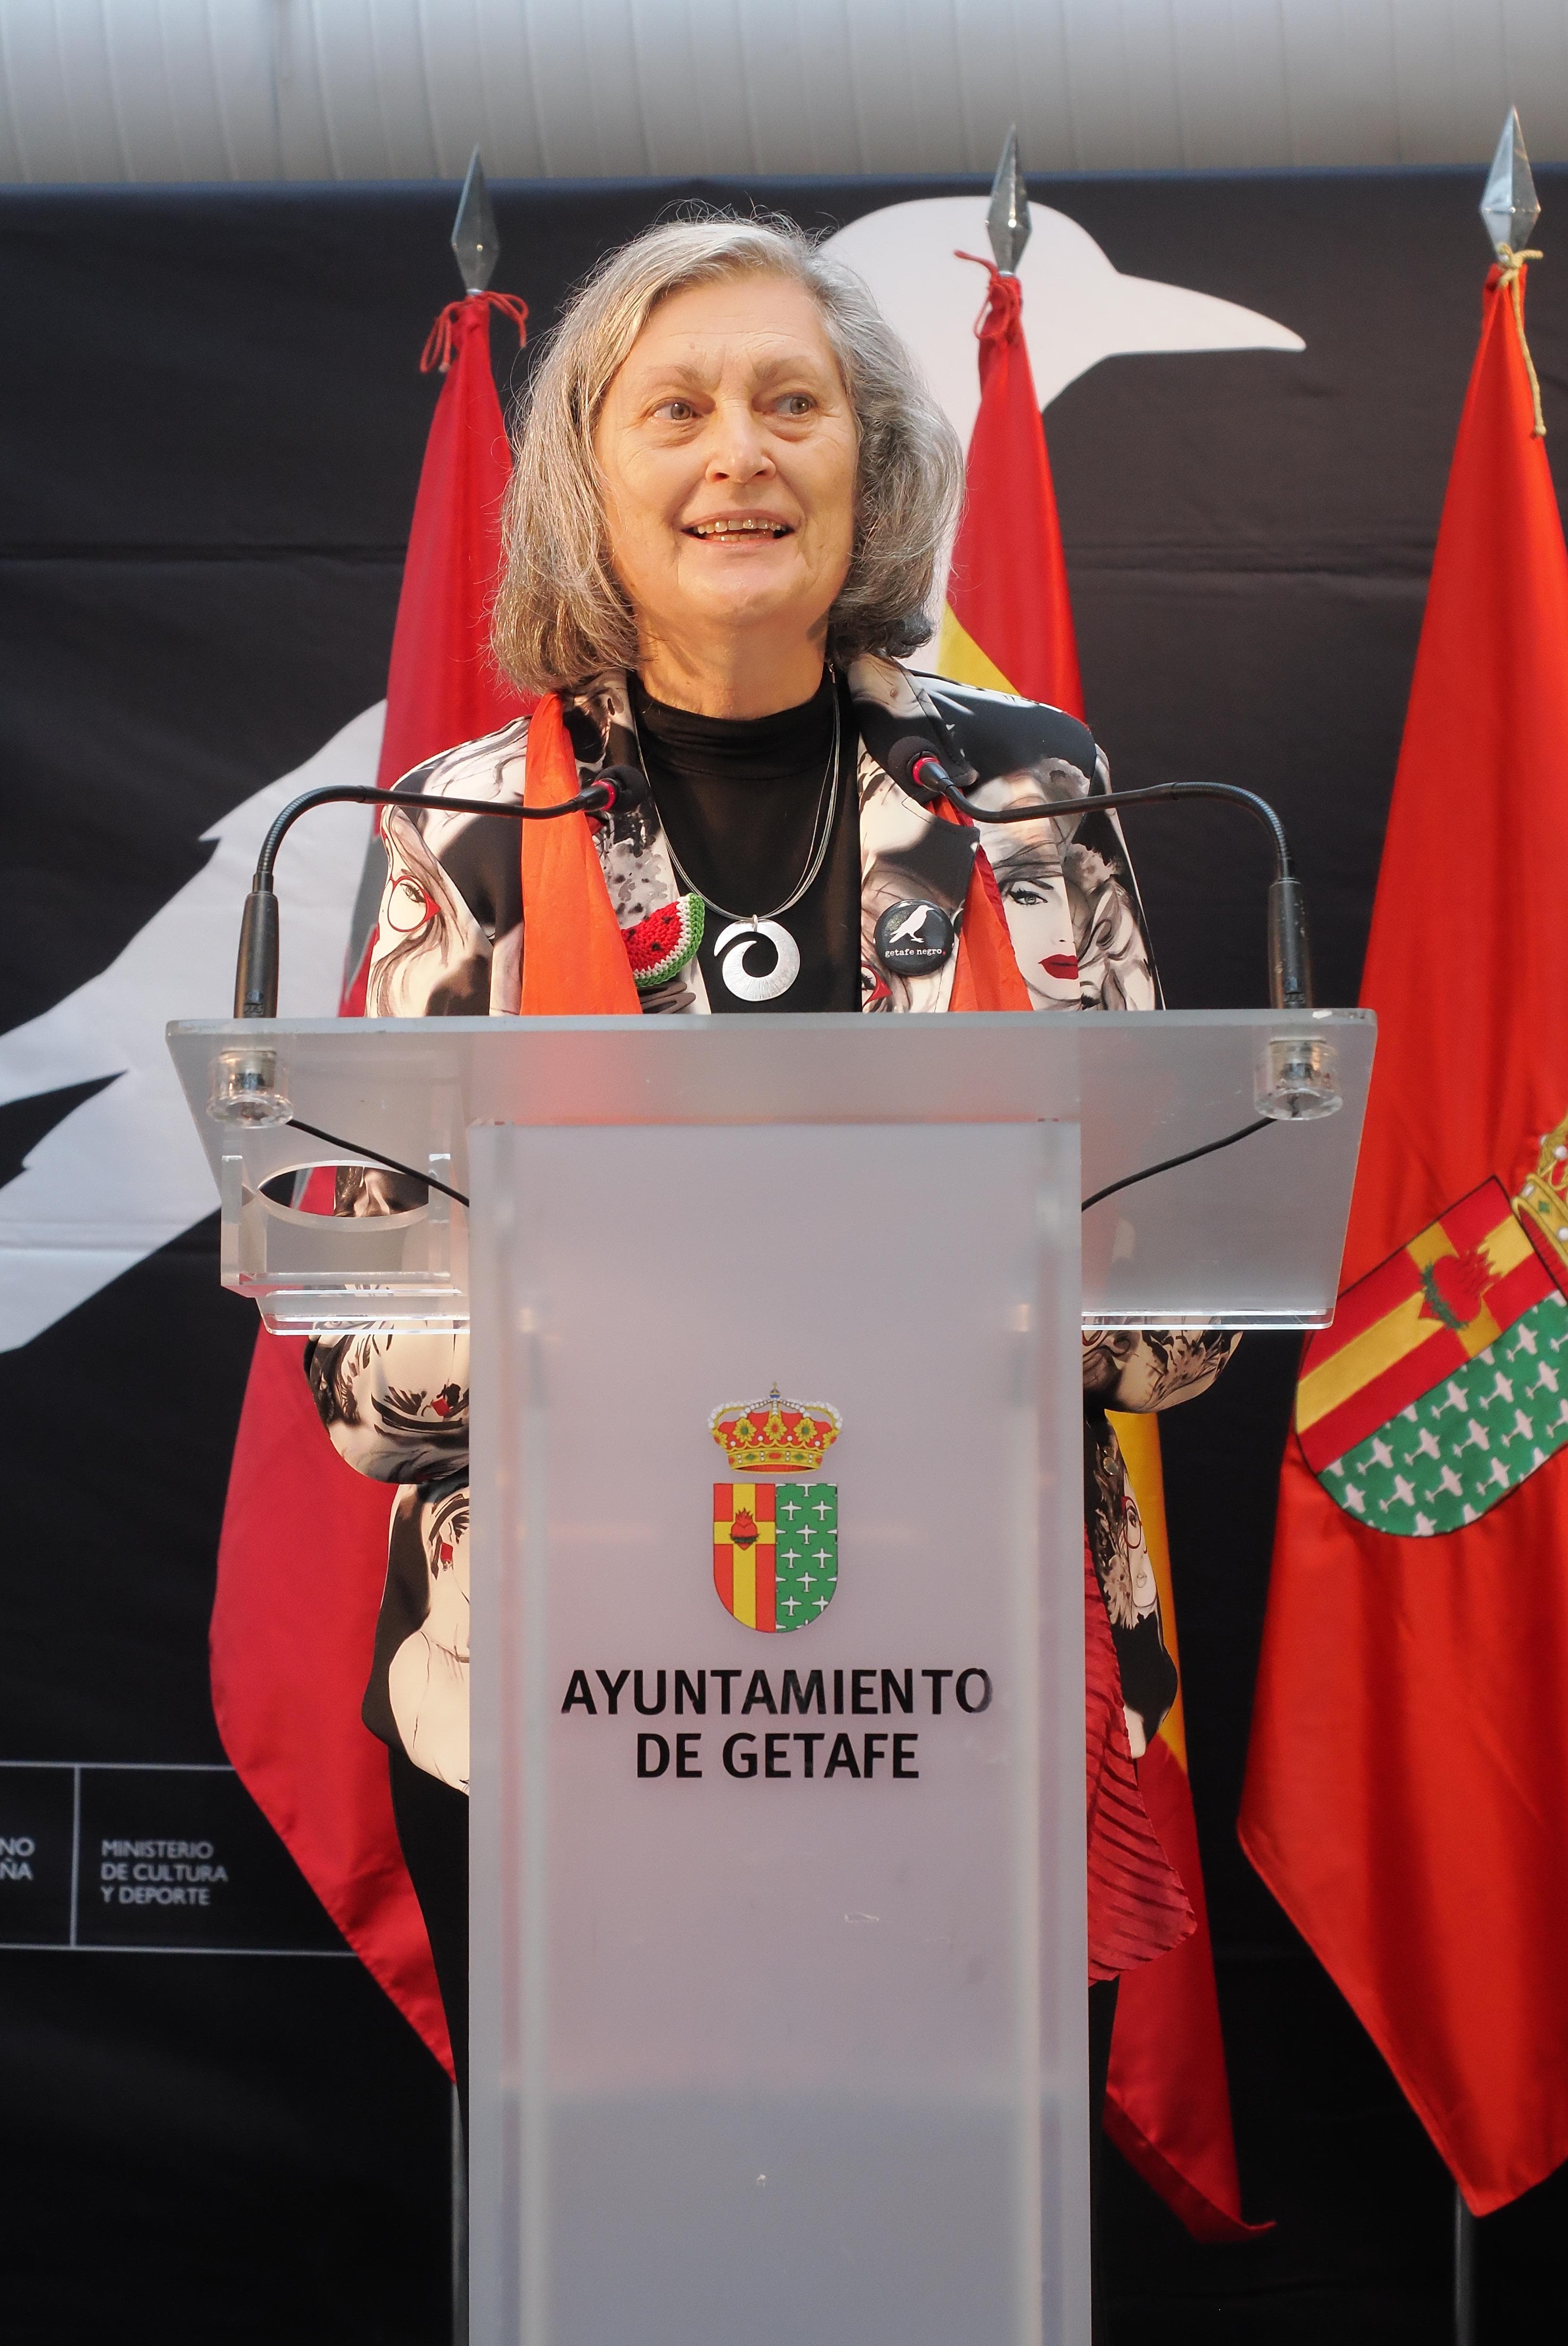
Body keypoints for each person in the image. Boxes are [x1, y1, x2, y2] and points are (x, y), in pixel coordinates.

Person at [304, 213, 1236, 2288]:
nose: (740, 452)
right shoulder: (467, 830)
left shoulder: (1032, 794)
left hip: (972, 1687)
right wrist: (662, 1286)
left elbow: (1176, 1320)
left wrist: (857, 1269)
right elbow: (366, 1383)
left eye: (790, 402)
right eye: (679, 409)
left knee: (935, 2264)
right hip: (566, 1694)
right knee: (629, 2265)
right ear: (588, 479)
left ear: (867, 461)